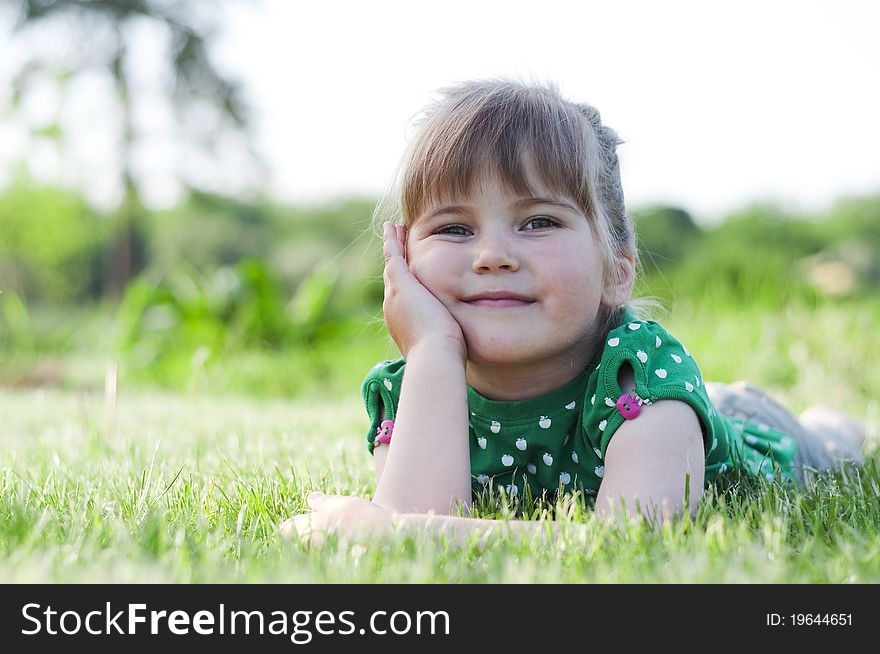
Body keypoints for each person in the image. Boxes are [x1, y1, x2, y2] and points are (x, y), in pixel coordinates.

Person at [280, 78, 866, 545]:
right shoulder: (413, 391)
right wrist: (433, 351)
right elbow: (416, 540)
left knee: (833, 448)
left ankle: (833, 422)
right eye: (453, 228)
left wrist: (395, 529)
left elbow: (634, 543)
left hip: (735, 427)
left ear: (616, 269)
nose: (491, 256)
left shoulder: (643, 376)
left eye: (538, 222)